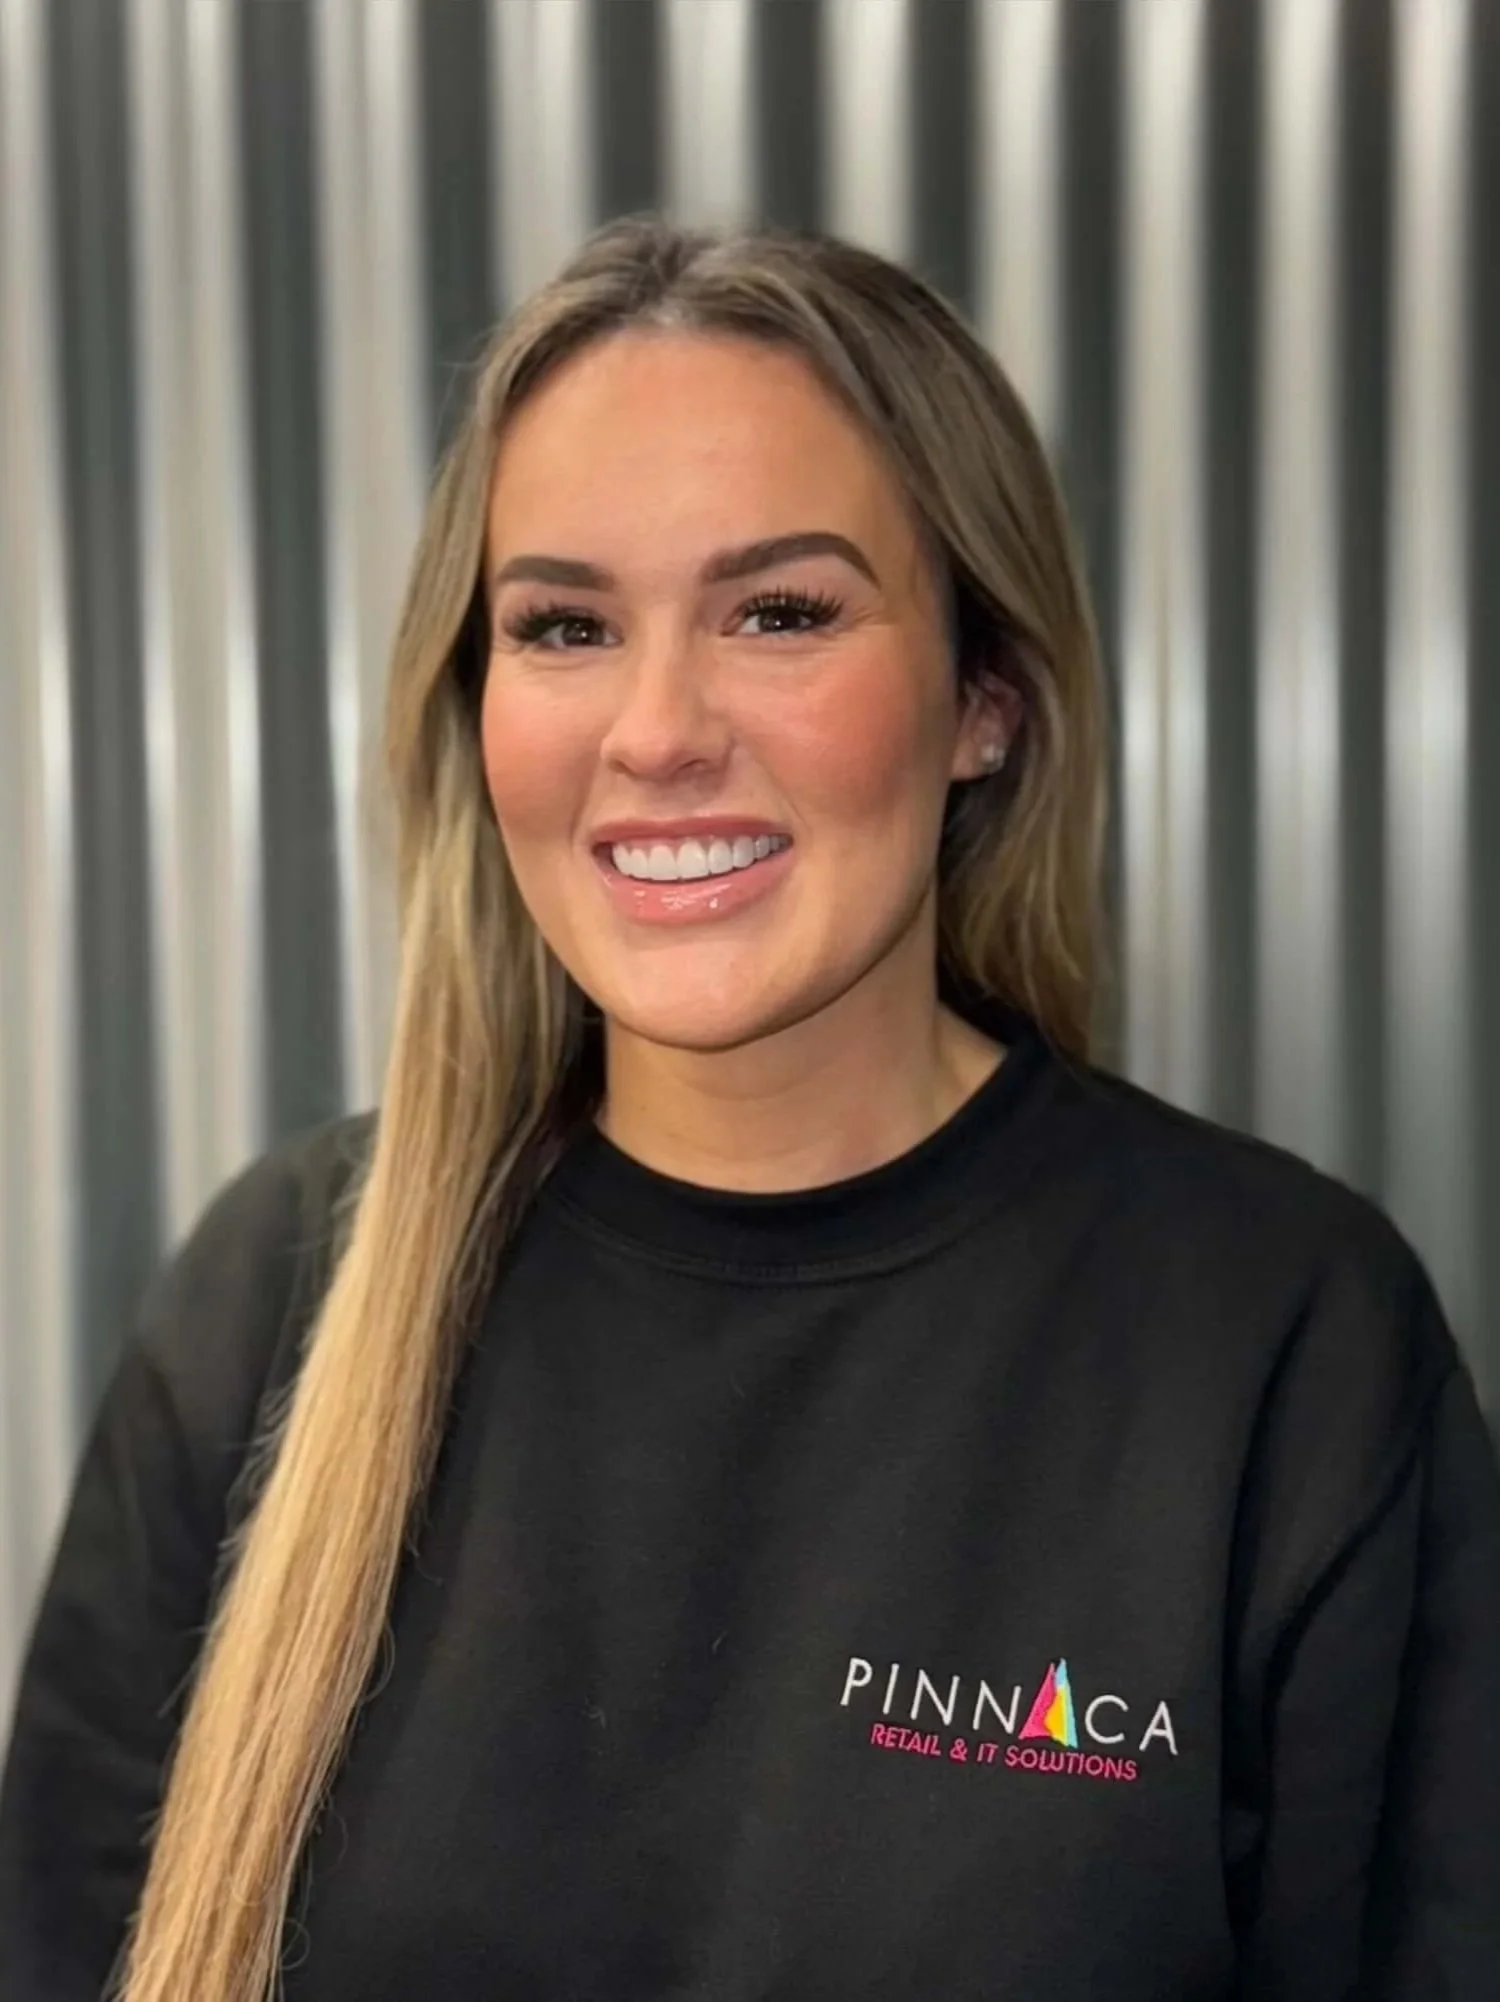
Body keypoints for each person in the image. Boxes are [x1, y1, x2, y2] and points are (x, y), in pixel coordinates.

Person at [1, 215, 1497, 2002]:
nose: (655, 729)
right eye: (562, 625)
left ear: (985, 701)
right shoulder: (276, 1309)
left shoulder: (1288, 1341)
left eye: (779, 610)